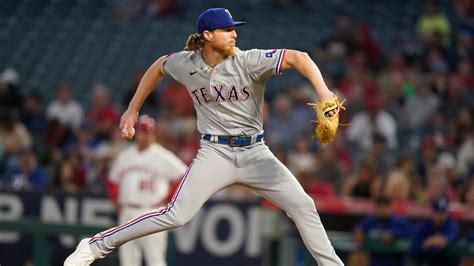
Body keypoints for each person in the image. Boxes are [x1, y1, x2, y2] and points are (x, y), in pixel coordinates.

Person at [64, 8, 344, 266]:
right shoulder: (186, 64)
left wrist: (324, 93)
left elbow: (299, 57)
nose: (235, 33)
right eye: (227, 29)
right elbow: (158, 67)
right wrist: (132, 109)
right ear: (207, 36)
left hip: (255, 153)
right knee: (175, 215)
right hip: (215, 153)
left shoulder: (248, 61)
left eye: (234, 28)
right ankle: (95, 245)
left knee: (303, 205)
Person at [107, 115, 187, 266]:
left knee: (155, 259)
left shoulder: (162, 155)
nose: (146, 136)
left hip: (152, 211)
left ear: (154, 135)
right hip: (128, 211)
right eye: (143, 132)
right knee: (128, 260)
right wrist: (114, 200)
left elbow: (184, 175)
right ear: (137, 133)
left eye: (150, 132)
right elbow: (112, 180)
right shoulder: (125, 155)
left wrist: (169, 198)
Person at [353, 196, 412, 266]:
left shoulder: (399, 221)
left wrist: (395, 235)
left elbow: (411, 233)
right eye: (380, 206)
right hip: (375, 261)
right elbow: (360, 228)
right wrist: (359, 232)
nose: (382, 209)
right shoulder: (371, 220)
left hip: (395, 261)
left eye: (385, 206)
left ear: (390, 207)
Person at [410, 197, 460, 266]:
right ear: (432, 212)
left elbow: (443, 241)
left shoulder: (451, 224)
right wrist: (424, 246)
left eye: (443, 213)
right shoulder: (424, 225)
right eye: (438, 213)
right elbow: (414, 250)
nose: (441, 216)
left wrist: (430, 241)